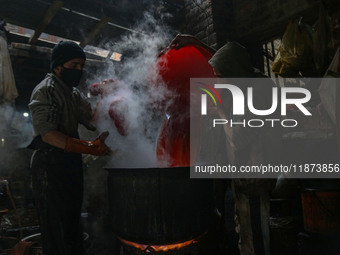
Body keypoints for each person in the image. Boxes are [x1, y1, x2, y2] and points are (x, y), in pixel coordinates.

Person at [169, 34, 282, 255]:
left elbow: (238, 139)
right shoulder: (250, 80)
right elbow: (230, 59)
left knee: (254, 238)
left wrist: (218, 108)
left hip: (254, 178)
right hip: (245, 176)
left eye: (220, 77)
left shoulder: (254, 97)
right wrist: (196, 42)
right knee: (245, 232)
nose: (217, 81)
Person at [28, 41, 111, 255]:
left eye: (81, 66)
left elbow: (91, 119)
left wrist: (109, 98)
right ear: (57, 67)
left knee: (72, 221)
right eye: (74, 65)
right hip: (49, 164)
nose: (79, 71)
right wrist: (89, 147)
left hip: (69, 161)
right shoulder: (46, 90)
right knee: (57, 227)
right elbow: (47, 134)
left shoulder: (73, 93)